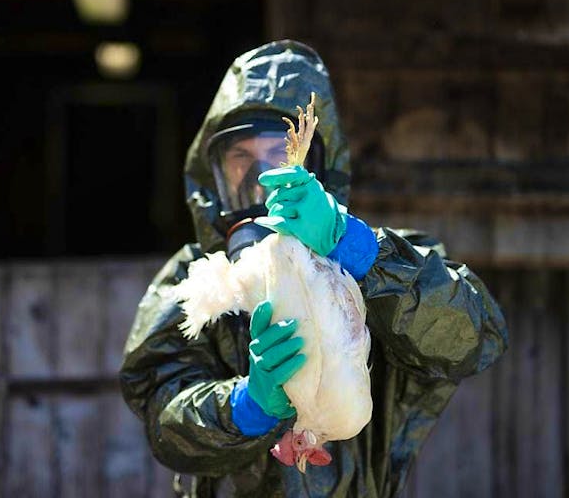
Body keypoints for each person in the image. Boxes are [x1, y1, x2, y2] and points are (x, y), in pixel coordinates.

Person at [119, 40, 508, 497]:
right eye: (241, 159)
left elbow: (472, 336)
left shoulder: (383, 259)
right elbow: (165, 418)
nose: (259, 179)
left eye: (277, 154)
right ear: (215, 175)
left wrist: (362, 253)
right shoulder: (195, 278)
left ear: (317, 165)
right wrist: (246, 406)